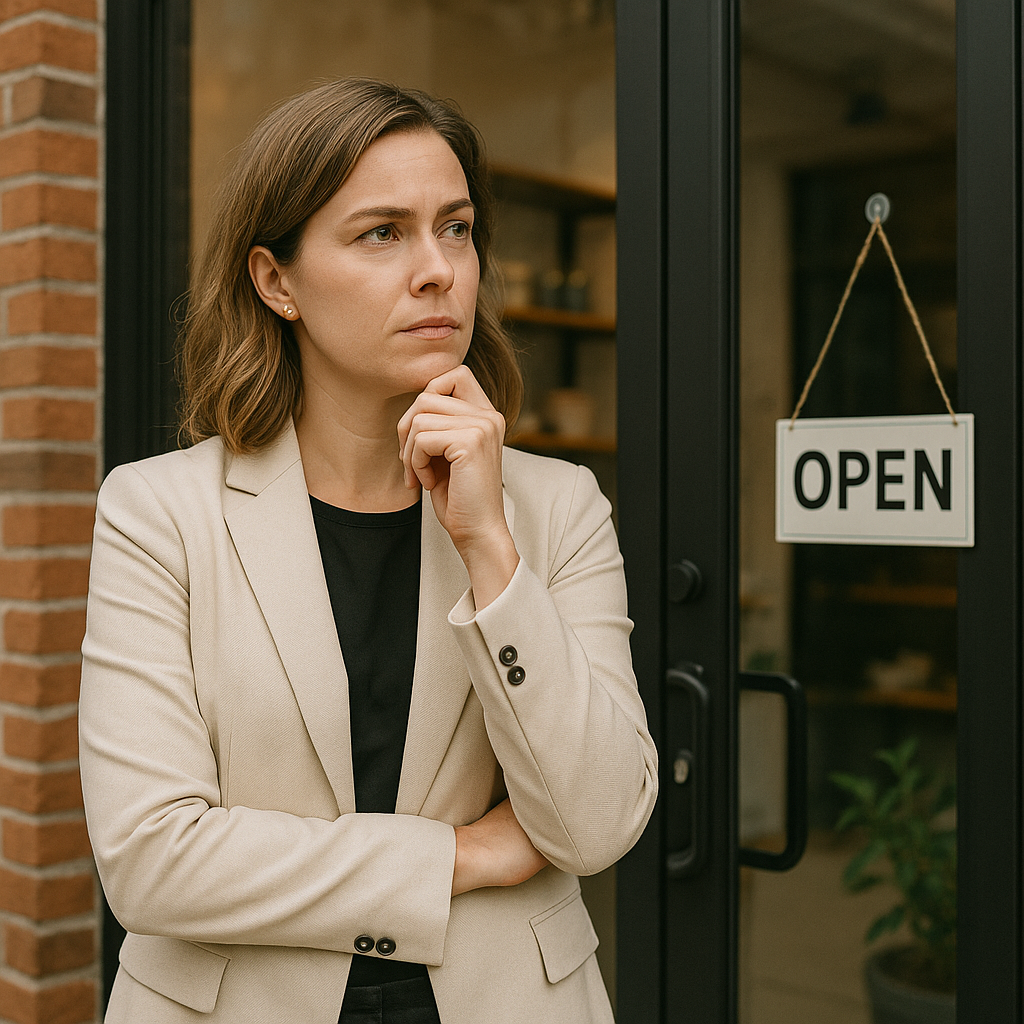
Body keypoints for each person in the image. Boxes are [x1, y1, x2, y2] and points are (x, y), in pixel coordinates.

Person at [79, 77, 657, 1024]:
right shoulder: (158, 514)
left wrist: (489, 545)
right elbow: (152, 862)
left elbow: (594, 824)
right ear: (276, 281)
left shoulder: (556, 508)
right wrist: (461, 856)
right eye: (381, 232)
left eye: (457, 228)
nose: (438, 270)